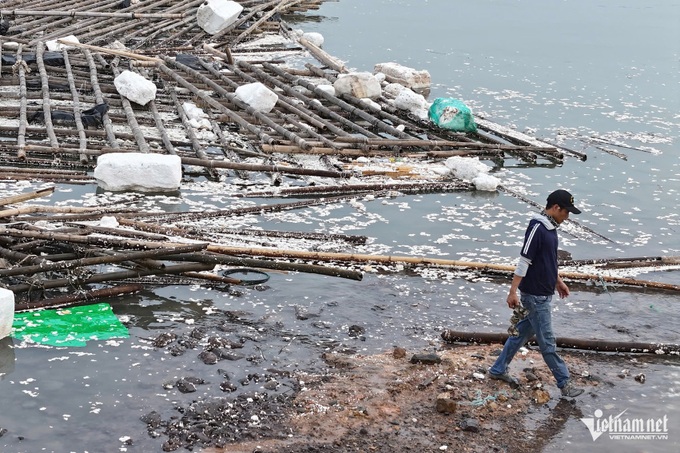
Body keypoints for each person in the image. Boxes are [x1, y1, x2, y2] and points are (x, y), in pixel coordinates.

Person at [488, 189, 584, 398]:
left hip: (544, 292)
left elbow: (548, 260)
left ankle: (497, 370)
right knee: (548, 342)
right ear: (556, 208)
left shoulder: (551, 228)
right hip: (535, 296)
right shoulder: (538, 228)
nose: (567, 217)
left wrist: (558, 281)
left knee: (522, 333)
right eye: (566, 212)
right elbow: (525, 260)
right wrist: (512, 291)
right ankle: (564, 382)